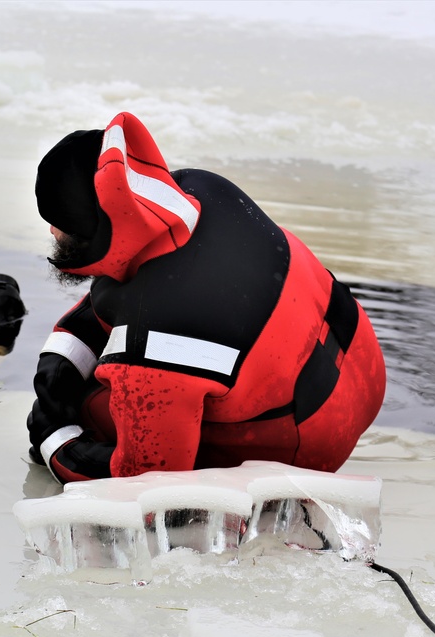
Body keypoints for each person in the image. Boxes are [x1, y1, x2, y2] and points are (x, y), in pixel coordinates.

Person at [27, 111, 386, 483]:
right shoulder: (202, 189)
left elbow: (147, 482)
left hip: (311, 443)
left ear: (89, 231)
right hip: (360, 364)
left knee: (94, 406)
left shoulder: (156, 335)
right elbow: (117, 295)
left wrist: (56, 441)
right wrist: (60, 362)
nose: (52, 232)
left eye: (58, 222)